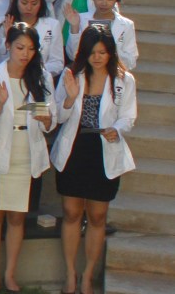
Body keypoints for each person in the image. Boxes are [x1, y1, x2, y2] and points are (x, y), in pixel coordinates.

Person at [52, 24, 136, 294]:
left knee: (98, 215)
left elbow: (128, 116)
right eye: (92, 52)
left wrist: (117, 130)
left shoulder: (125, 80)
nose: (97, 57)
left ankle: (88, 276)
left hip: (104, 149)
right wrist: (70, 99)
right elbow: (58, 117)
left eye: (103, 52)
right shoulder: (71, 75)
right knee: (71, 212)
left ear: (111, 53)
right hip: (75, 148)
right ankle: (70, 274)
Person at [0, 22, 56, 293]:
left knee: (17, 217)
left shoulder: (41, 77)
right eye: (20, 47)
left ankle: (10, 273)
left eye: (31, 49)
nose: (25, 54)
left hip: (27, 150)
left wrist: (47, 120)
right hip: (0, 148)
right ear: (8, 46)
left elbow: (51, 118)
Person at [65, 0, 139, 72]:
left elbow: (131, 60)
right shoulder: (81, 19)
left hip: (113, 75)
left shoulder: (126, 25)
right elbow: (72, 54)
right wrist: (75, 26)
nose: (104, 3)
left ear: (116, 0)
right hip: (86, 74)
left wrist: (109, 49)